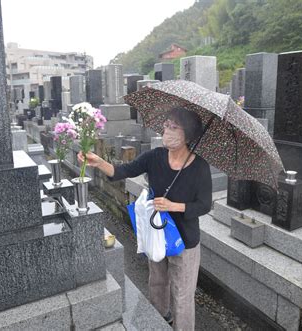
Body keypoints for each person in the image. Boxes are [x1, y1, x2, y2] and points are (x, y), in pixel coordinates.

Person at [78, 107, 212, 330]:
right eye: (166, 125)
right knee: (157, 283)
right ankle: (158, 321)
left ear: (188, 135)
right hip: (157, 231)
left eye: (174, 127)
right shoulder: (155, 156)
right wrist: (99, 162)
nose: (167, 130)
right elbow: (124, 171)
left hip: (185, 241)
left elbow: (204, 205)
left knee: (182, 295)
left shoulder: (199, 167)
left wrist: (174, 206)